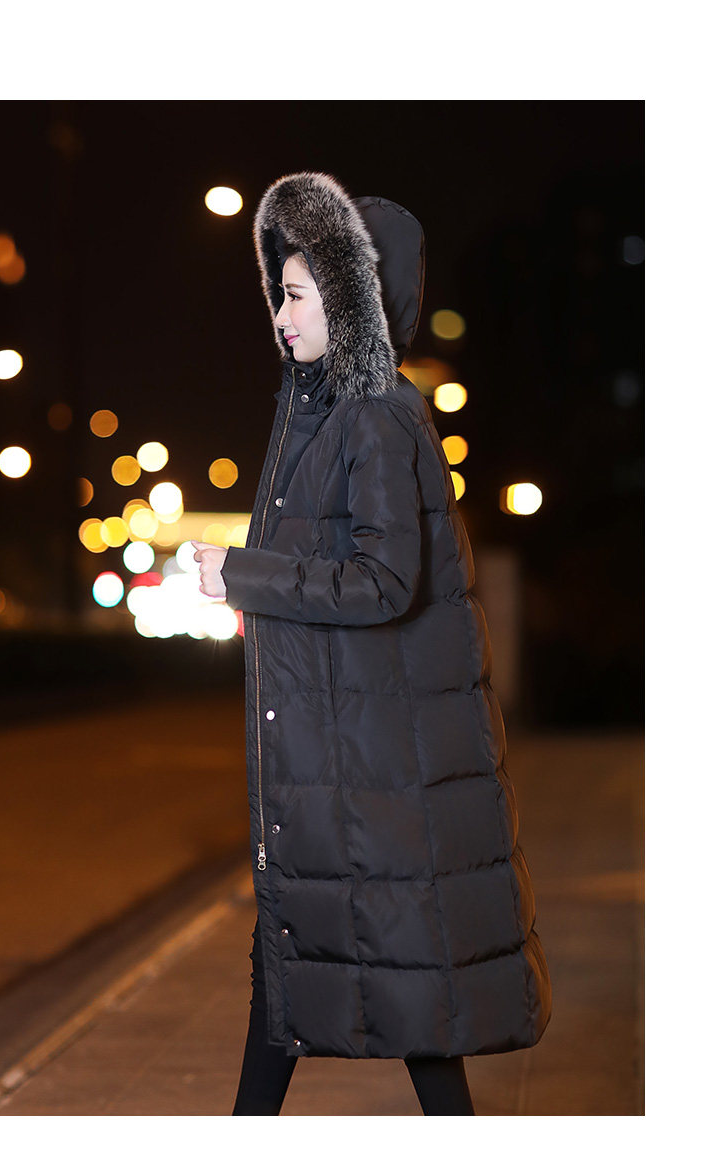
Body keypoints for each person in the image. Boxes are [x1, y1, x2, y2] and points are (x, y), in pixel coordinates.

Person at [192, 171, 551, 1116]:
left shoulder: (376, 416)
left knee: (392, 995)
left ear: (351, 303)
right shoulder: (317, 411)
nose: (280, 315)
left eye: (298, 295)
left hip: (372, 778)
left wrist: (243, 573)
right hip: (345, 770)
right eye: (278, 293)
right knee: (306, 986)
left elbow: (383, 582)